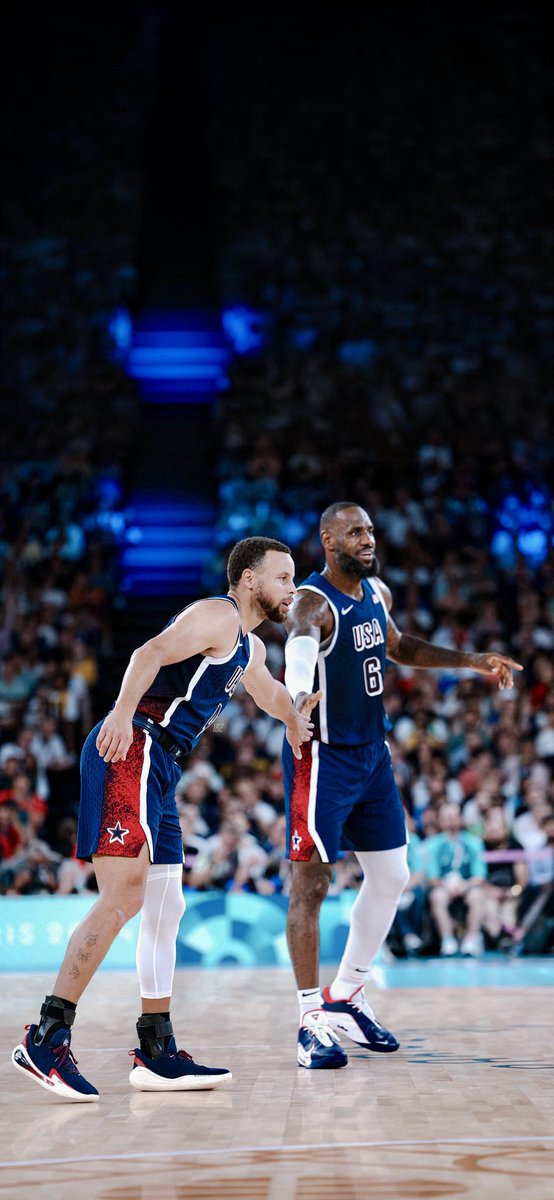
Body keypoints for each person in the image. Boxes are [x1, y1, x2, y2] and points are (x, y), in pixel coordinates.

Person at [12, 536, 320, 1101]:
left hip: (162, 768)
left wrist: (295, 718)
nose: (292, 588)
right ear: (249, 579)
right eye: (283, 577)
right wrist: (123, 716)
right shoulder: (217, 615)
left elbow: (272, 694)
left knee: (167, 902)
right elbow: (146, 654)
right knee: (124, 897)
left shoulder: (247, 648)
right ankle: (46, 1038)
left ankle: (155, 1050)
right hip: (133, 746)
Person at [282, 502, 522, 1069]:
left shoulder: (376, 593)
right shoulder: (312, 601)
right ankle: (309, 1017)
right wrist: (295, 696)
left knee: (392, 875)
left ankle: (346, 994)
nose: (368, 539)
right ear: (328, 540)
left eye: (370, 530)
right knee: (311, 886)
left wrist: (470, 660)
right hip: (322, 756)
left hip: (372, 754)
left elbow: (399, 647)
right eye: (355, 532)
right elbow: (296, 645)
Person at [423, 801, 487, 956]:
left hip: (467, 886)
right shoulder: (432, 844)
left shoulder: (474, 843)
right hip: (443, 887)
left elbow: (479, 875)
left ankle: (471, 940)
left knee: (477, 896)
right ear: (440, 820)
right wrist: (447, 885)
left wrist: (464, 885)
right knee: (437, 897)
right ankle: (448, 940)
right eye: (446, 817)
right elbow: (432, 877)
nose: (451, 820)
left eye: (454, 816)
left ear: (460, 818)